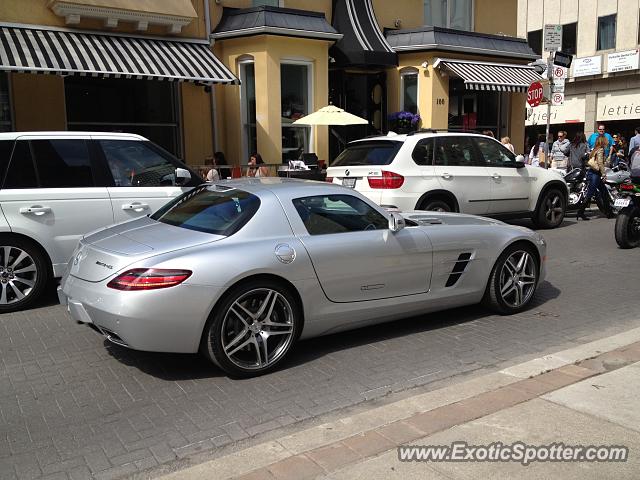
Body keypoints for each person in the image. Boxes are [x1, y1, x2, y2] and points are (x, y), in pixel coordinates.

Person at [577, 136, 611, 221]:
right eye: (606, 141)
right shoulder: (601, 150)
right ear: (603, 141)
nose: (607, 142)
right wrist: (604, 174)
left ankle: (608, 212)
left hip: (592, 173)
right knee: (591, 193)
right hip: (596, 174)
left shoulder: (595, 149)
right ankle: (580, 212)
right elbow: (600, 162)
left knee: (604, 192)